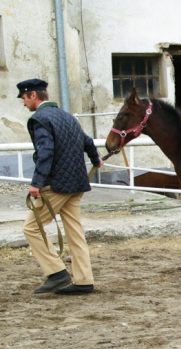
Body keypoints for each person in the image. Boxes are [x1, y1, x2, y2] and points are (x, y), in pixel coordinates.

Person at [17, 78, 102, 294]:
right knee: (75, 231)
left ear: (33, 95)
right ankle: (84, 280)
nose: (23, 103)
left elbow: (46, 152)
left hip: (57, 185)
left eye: (24, 98)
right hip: (77, 183)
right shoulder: (67, 116)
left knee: (31, 228)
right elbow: (88, 142)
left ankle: (56, 273)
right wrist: (95, 160)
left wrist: (36, 183)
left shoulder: (39, 119)